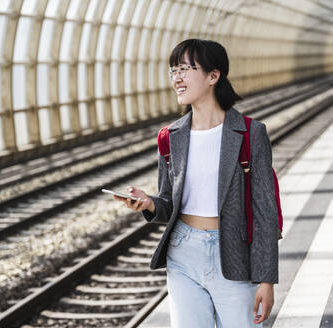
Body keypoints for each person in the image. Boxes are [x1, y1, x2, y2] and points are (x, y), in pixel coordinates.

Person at [114, 39, 279, 327]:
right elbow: (169, 200)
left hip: (233, 254)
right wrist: (151, 203)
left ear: (213, 76)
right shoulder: (171, 136)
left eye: (185, 69)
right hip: (183, 253)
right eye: (172, 70)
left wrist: (267, 278)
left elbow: (265, 210)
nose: (177, 78)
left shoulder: (251, 133)